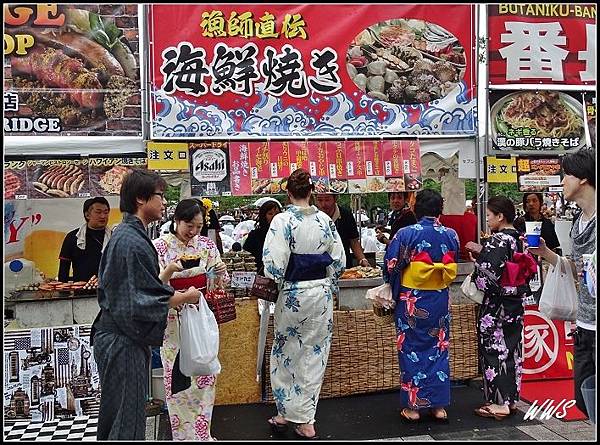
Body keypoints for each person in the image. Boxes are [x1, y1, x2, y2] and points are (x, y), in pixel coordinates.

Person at [92, 170, 201, 440]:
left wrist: (165, 277)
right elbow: (140, 301)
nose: (164, 203)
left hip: (117, 337)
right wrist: (185, 297)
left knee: (117, 415)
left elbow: (140, 287)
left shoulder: (127, 235)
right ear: (141, 199)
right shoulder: (131, 241)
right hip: (122, 341)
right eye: (160, 196)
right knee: (126, 420)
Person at [263, 169, 345, 439]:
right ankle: (306, 419)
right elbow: (339, 261)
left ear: (288, 192)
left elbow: (274, 266)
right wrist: (327, 280)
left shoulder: (282, 221)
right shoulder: (325, 220)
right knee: (315, 354)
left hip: (294, 293)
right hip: (320, 293)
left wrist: (281, 278)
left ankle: (285, 412)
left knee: (286, 351)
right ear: (312, 191)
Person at [527, 149, 596, 418]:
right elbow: (578, 269)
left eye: (566, 174)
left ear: (583, 179)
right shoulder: (579, 222)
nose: (563, 181)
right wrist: (546, 254)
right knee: (583, 399)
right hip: (585, 325)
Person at [153, 199, 228, 441]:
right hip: (173, 322)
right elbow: (152, 287)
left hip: (201, 315)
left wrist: (217, 277)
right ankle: (183, 436)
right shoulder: (159, 247)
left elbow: (220, 275)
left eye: (198, 226)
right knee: (177, 379)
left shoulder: (206, 245)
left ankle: (202, 434)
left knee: (205, 375)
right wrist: (174, 282)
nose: (193, 232)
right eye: (189, 225)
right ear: (176, 220)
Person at [384, 189, 459, 422]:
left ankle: (414, 407)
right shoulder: (451, 234)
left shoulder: (406, 234)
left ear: (416, 209)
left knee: (411, 349)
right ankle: (438, 407)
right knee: (439, 349)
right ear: (440, 210)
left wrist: (394, 284)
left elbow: (391, 265)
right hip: (438, 298)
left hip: (412, 299)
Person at [471, 197, 537, 420]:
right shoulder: (522, 239)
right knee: (512, 350)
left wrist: (478, 261)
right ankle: (510, 400)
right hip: (515, 303)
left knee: (493, 350)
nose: (487, 220)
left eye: (489, 216)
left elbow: (488, 279)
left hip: (497, 305)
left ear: (500, 216)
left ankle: (499, 403)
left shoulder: (497, 239)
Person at [58, 197, 112, 283]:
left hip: (109, 292)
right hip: (80, 292)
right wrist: (64, 293)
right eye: (98, 212)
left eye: (106, 212)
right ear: (87, 215)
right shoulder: (73, 237)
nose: (103, 216)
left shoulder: (114, 238)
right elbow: (63, 269)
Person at [316, 193, 370, 268]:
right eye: (319, 200)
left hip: (344, 264)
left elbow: (354, 242)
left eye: (327, 200)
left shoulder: (346, 215)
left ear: (335, 199)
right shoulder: (313, 216)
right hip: (319, 265)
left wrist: (362, 259)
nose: (323, 204)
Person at [243, 199, 281, 272]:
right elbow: (247, 256)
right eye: (270, 213)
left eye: (277, 213)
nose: (274, 217)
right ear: (264, 216)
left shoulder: (285, 234)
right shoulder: (254, 235)